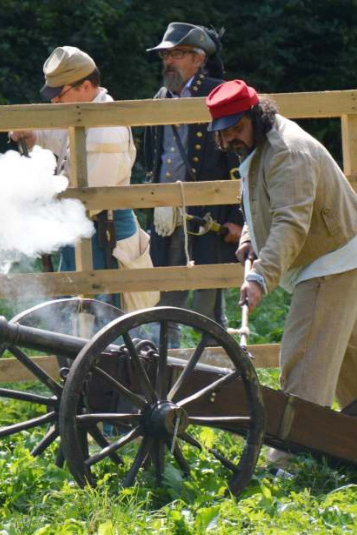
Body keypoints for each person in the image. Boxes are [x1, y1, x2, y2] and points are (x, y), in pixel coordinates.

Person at [206, 79, 357, 412]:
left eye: (237, 127)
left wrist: (260, 277)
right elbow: (263, 200)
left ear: (255, 114)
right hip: (347, 251)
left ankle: (289, 461)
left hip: (331, 260)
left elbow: (291, 222)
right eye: (223, 131)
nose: (231, 136)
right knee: (356, 366)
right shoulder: (258, 144)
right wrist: (250, 237)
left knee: (303, 359)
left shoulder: (286, 151)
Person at [11, 46, 155, 311]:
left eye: (59, 94)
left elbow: (92, 200)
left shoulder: (105, 127)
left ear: (85, 86)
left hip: (104, 237)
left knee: (109, 324)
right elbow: (65, 142)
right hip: (84, 233)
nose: (54, 101)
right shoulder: (84, 113)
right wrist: (34, 136)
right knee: (81, 324)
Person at [143, 23, 242, 342]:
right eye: (165, 55)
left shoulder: (219, 92)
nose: (168, 61)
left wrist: (238, 219)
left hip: (208, 215)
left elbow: (240, 160)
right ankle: (164, 377)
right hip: (167, 219)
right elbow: (152, 158)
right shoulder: (160, 97)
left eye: (177, 54)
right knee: (164, 304)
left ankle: (217, 377)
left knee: (206, 307)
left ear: (198, 59)